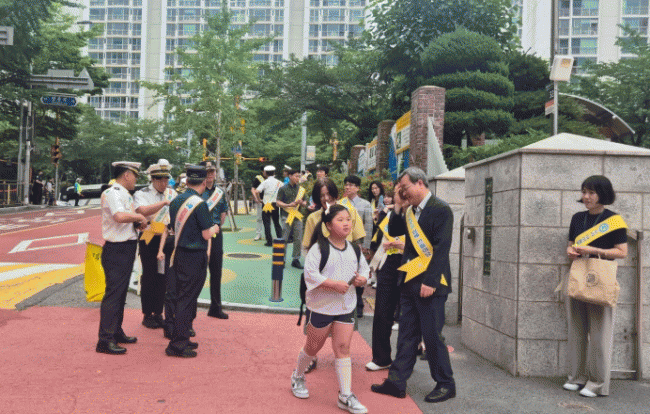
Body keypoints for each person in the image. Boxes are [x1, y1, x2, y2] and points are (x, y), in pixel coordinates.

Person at [371, 167, 456, 403]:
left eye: (405, 188)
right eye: (400, 189)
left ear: (420, 183)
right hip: (409, 280)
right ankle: (396, 381)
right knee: (406, 334)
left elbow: (441, 248)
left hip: (431, 283)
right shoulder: (410, 211)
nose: (403, 192)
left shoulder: (441, 209)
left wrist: (430, 282)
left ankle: (446, 384)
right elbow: (395, 231)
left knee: (431, 336)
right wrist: (398, 207)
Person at [290, 204, 369, 414]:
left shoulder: (354, 248)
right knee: (312, 348)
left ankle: (345, 395)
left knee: (343, 348)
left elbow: (364, 269)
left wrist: (362, 279)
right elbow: (310, 274)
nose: (346, 224)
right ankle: (297, 376)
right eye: (340, 220)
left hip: (345, 306)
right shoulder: (319, 249)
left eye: (348, 219)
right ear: (328, 225)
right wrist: (333, 284)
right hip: (321, 307)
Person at [563, 175, 627, 398]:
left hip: (601, 278)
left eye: (591, 192)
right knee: (576, 331)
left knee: (600, 335)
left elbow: (622, 252)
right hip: (578, 276)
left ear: (603, 194)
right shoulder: (577, 218)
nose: (586, 197)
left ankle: (597, 383)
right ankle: (576, 377)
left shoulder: (614, 220)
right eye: (584, 192)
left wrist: (594, 250)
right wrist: (571, 251)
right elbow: (570, 245)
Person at [166, 165, 221, 358]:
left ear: (187, 181)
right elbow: (206, 234)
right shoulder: (200, 204)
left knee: (183, 297)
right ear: (204, 182)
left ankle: (182, 337)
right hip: (194, 255)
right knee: (187, 299)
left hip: (180, 253)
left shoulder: (175, 201)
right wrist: (215, 228)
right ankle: (177, 345)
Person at [96, 161, 148, 355]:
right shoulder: (113, 193)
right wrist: (139, 218)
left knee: (120, 294)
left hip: (125, 247)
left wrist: (136, 224)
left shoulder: (124, 194)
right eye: (134, 175)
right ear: (127, 175)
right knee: (113, 295)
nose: (135, 180)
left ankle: (116, 331)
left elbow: (124, 220)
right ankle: (105, 339)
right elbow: (118, 216)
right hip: (116, 249)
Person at [366, 186, 407, 372]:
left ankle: (407, 358)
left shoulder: (421, 214)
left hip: (411, 265)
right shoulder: (391, 214)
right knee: (382, 310)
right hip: (389, 263)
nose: (400, 196)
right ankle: (381, 358)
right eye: (397, 193)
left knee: (408, 314)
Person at [134, 160, 177, 330]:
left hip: (166, 239)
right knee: (149, 276)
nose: (163, 183)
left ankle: (158, 312)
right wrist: (164, 203)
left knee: (162, 277)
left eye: (166, 180)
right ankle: (147, 314)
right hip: (149, 237)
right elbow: (142, 211)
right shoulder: (142, 193)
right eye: (160, 180)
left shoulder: (172, 193)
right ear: (152, 179)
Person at [200, 160, 229, 320]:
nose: (210, 174)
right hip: (199, 234)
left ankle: (215, 307)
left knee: (216, 271)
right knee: (197, 272)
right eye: (207, 171)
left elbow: (223, 215)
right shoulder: (197, 191)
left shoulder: (220, 192)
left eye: (212, 171)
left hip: (216, 234)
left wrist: (215, 227)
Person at [342, 175, 373, 318]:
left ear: (358, 188)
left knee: (358, 272)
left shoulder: (365, 204)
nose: (347, 187)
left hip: (358, 244)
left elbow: (368, 225)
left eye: (351, 185)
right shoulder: (341, 203)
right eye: (346, 184)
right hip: (342, 243)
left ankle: (359, 303)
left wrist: (366, 245)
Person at [276, 169, 307, 269]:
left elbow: (305, 202)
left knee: (298, 238)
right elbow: (278, 202)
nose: (298, 178)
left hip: (297, 216)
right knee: (284, 238)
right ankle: (282, 260)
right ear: (290, 176)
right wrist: (288, 205)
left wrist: (302, 203)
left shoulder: (301, 189)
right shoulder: (283, 188)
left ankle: (296, 259)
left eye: (299, 176)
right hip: (286, 216)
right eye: (296, 176)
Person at [256, 165, 283, 246]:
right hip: (275, 204)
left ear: (265, 173)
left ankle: (269, 241)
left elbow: (257, 191)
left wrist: (259, 199)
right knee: (276, 222)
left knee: (267, 223)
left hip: (267, 204)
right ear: (274, 173)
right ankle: (280, 239)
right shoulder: (279, 182)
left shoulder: (265, 182)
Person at [251, 167, 266, 241]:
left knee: (269, 219)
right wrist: (256, 198)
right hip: (261, 201)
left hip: (270, 201)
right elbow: (253, 189)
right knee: (259, 218)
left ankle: (268, 235)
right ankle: (258, 234)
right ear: (262, 171)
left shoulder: (271, 179)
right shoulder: (258, 178)